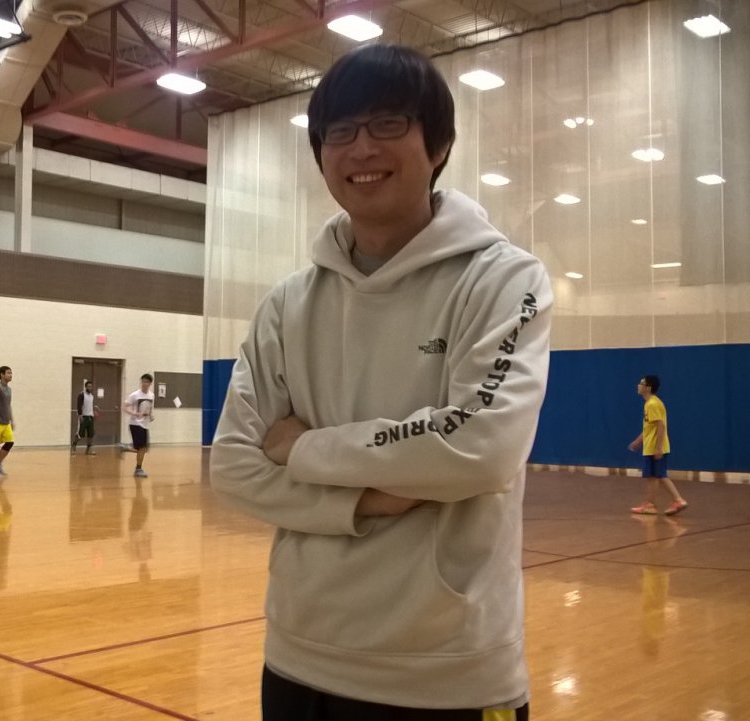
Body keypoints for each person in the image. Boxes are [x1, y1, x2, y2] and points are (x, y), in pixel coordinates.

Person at [210, 44, 552, 720]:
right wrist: (368, 498)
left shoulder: (504, 280)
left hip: (448, 672)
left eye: (388, 124)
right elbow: (234, 464)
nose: (362, 148)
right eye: (340, 131)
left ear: (439, 144)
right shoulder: (287, 304)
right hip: (298, 658)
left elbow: (481, 447)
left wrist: (304, 448)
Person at [629, 374, 687, 516]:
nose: (638, 385)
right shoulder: (650, 403)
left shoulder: (652, 404)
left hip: (655, 447)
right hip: (650, 446)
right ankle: (650, 504)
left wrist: (659, 447)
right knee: (652, 476)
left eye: (641, 383)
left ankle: (678, 500)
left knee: (660, 475)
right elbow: (650, 428)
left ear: (648, 388)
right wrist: (638, 441)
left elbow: (660, 426)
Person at [124, 374, 154, 478]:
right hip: (135, 423)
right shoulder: (135, 395)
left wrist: (151, 415)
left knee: (144, 448)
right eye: (143, 381)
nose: (144, 383)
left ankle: (125, 448)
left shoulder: (151, 395)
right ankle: (138, 469)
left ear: (150, 383)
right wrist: (134, 413)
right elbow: (125, 407)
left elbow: (149, 407)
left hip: (145, 424)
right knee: (142, 447)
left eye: (146, 382)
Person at [72, 380, 99, 455]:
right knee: (80, 434)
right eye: (89, 386)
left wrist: (94, 411)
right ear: (86, 387)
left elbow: (90, 405)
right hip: (83, 417)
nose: (90, 388)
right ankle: (74, 445)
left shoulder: (92, 396)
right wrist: (80, 415)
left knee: (91, 434)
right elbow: (79, 405)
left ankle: (89, 449)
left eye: (91, 386)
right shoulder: (82, 394)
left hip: (90, 417)